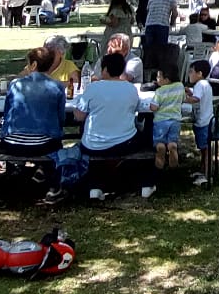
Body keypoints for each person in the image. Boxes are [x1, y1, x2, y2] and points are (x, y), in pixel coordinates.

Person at [48, 51, 154, 204]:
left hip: (93, 144)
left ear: (104, 70)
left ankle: (95, 186)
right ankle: (146, 181)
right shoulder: (131, 89)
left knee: (91, 140)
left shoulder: (93, 88)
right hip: (125, 143)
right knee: (146, 139)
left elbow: (79, 116)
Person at [149, 64, 186, 171]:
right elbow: (183, 98)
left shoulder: (159, 91)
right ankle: (172, 147)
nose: (157, 79)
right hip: (175, 120)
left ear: (166, 79)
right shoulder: (180, 86)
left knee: (159, 141)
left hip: (161, 121)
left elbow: (154, 107)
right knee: (172, 139)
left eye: (158, 77)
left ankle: (160, 148)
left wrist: (151, 106)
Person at [185, 60, 216, 185]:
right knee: (203, 148)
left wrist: (182, 98)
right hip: (205, 120)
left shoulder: (200, 85)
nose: (189, 74)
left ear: (199, 73)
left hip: (204, 122)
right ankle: (203, 170)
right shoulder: (204, 84)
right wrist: (190, 92)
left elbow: (195, 99)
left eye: (191, 72)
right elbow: (198, 96)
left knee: (205, 148)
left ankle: (207, 175)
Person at [142, 0, 179, 84]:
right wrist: (172, 23)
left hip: (149, 25)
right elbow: (175, 13)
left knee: (149, 49)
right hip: (162, 25)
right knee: (162, 50)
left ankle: (147, 73)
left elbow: (148, 11)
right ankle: (161, 73)